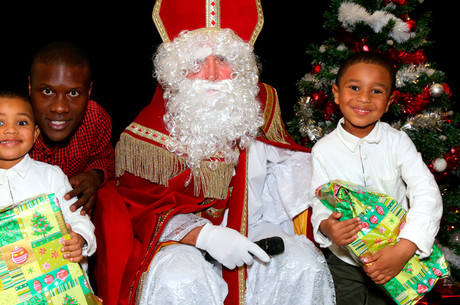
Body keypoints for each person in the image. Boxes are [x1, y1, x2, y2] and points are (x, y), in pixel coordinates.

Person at [93, 1, 335, 304]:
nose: (210, 73)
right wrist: (205, 236)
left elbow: (282, 167)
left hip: (254, 226)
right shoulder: (148, 131)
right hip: (182, 241)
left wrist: (321, 210)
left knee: (302, 261)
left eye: (222, 59)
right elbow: (141, 204)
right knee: (182, 278)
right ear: (176, 69)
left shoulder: (261, 102)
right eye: (197, 62)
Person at [310, 51, 443, 305]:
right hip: (345, 263)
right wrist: (328, 226)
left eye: (376, 91)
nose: (363, 98)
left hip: (394, 255)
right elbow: (318, 199)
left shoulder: (398, 143)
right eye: (355, 87)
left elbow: (426, 193)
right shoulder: (323, 150)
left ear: (390, 100)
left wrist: (405, 248)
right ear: (336, 93)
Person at [0, 90, 96, 267]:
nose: (11, 130)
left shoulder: (51, 176)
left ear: (35, 133)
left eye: (21, 122)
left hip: (53, 280)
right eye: (0, 122)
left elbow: (78, 218)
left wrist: (80, 238)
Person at [28, 41, 115, 216]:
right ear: (30, 87)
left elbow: (106, 160)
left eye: (73, 93)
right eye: (47, 91)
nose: (60, 107)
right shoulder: (12, 127)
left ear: (89, 91)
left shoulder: (95, 118)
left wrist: (95, 176)